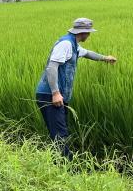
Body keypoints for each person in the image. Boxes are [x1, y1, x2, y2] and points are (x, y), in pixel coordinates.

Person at [35, 18, 117, 158]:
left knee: (60, 131)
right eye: (88, 32)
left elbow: (88, 53)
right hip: (50, 95)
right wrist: (55, 93)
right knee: (59, 135)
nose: (89, 35)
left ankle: (60, 164)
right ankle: (67, 166)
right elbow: (51, 68)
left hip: (58, 95)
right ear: (83, 32)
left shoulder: (74, 44)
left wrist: (105, 58)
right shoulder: (65, 44)